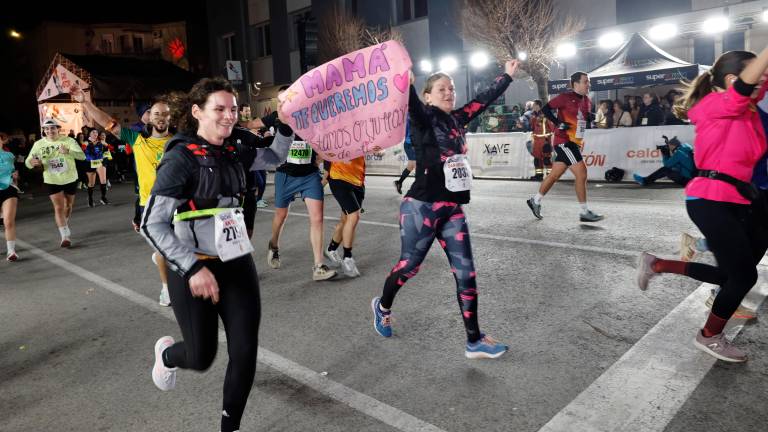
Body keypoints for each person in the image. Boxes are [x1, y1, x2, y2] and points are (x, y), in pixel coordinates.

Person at [141, 77, 293, 432]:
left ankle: (230, 428)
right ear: (196, 112)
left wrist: (284, 122)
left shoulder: (234, 149)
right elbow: (153, 223)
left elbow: (275, 155)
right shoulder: (180, 158)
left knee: (244, 351)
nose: (229, 116)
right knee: (201, 356)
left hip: (236, 263)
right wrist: (193, 269)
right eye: (219, 109)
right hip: (194, 269)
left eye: (234, 109)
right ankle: (167, 355)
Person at [371, 59, 521, 359]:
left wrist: (506, 76)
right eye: (442, 89)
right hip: (421, 207)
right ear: (428, 95)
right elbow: (410, 103)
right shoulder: (423, 116)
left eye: (451, 88)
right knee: (409, 266)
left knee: (466, 273)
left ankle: (474, 340)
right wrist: (407, 84)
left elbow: (482, 100)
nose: (449, 93)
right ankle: (382, 306)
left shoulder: (457, 119)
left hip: (452, 209)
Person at [636, 48, 768, 363]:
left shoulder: (750, 113)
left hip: (739, 199)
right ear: (734, 79)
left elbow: (754, 88)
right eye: (758, 73)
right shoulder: (716, 105)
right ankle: (709, 336)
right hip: (709, 198)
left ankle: (657, 265)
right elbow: (742, 91)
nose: (763, 79)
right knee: (743, 277)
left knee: (732, 276)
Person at [77, 90, 175, 306]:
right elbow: (108, 122)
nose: (160, 117)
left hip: (178, 204)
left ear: (171, 117)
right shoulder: (136, 139)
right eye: (156, 113)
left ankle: (165, 263)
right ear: (149, 117)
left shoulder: (179, 141)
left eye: (165, 114)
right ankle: (167, 289)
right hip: (149, 204)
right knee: (162, 250)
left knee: (177, 248)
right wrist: (87, 103)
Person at [254, 108, 337, 282]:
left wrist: (320, 157)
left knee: (317, 218)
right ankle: (274, 244)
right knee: (281, 215)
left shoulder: (315, 118)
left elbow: (324, 144)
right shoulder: (279, 116)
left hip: (310, 175)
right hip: (286, 175)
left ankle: (319, 266)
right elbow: (253, 124)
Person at [526, 72, 603, 222]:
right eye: (585, 82)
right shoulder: (565, 97)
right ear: (575, 84)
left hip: (575, 142)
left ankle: (535, 201)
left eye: (589, 82)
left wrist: (591, 117)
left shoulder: (586, 101)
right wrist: (557, 122)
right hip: (564, 141)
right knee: (581, 173)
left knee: (554, 175)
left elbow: (582, 117)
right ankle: (584, 212)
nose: (588, 84)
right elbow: (546, 109)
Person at [25, 118, 85, 247]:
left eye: (52, 128)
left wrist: (68, 151)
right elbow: (28, 161)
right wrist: (32, 163)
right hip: (52, 179)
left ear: (58, 129)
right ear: (44, 131)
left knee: (68, 205)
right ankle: (64, 236)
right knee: (58, 207)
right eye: (47, 129)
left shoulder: (69, 141)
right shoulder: (38, 144)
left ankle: (65, 222)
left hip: (70, 178)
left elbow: (82, 156)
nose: (50, 131)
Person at [324, 153, 376, 277]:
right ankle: (348, 258)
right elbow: (325, 155)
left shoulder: (362, 134)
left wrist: (376, 149)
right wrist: (321, 182)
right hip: (338, 177)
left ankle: (331, 249)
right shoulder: (333, 135)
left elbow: (377, 147)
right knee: (354, 215)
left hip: (357, 180)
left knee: (345, 219)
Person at [0, 133, 19, 261]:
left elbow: (14, 172)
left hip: (9, 189)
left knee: (8, 221)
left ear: (3, 140)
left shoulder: (9, 156)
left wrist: (16, 176)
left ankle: (11, 251)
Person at [83, 128, 110, 206]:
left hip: (99, 162)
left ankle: (103, 197)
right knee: (91, 183)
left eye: (96, 132)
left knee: (103, 180)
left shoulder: (100, 142)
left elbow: (109, 149)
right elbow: (82, 151)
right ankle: (90, 198)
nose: (95, 134)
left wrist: (107, 146)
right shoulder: (86, 142)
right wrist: (84, 146)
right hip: (89, 163)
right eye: (93, 132)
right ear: (89, 134)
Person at [530, 99, 555, 180]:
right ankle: (539, 176)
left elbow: (552, 127)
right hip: (537, 141)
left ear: (538, 105)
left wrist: (549, 139)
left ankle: (550, 176)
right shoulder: (533, 115)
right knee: (537, 160)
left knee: (546, 159)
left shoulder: (546, 114)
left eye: (533, 105)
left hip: (545, 140)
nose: (532, 106)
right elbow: (532, 128)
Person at [393, 118, 415, 194]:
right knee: (417, 167)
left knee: (411, 166)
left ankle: (399, 182)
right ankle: (414, 192)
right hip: (411, 144)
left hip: (410, 143)